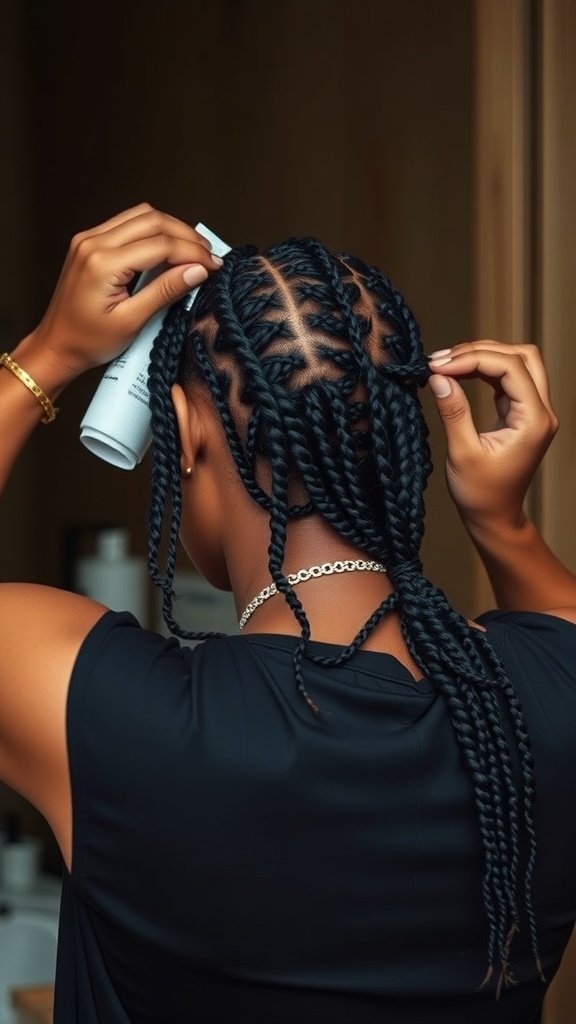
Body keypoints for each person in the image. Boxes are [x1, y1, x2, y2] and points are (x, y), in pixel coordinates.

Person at [0, 204, 574, 1024]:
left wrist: (45, 357)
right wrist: (504, 524)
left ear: (188, 437)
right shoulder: (547, 711)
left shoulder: (119, 720)